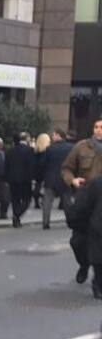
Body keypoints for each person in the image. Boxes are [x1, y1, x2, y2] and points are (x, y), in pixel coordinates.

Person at [62, 119, 102, 284]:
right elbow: (66, 168)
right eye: (96, 127)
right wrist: (72, 180)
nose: (99, 130)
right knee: (77, 241)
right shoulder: (81, 147)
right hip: (84, 200)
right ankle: (84, 264)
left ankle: (98, 278)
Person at [41, 129, 73, 230]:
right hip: (65, 177)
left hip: (50, 178)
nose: (52, 137)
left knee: (47, 201)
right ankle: (70, 221)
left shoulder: (50, 148)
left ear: (59, 136)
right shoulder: (70, 148)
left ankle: (46, 222)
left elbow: (44, 163)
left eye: (54, 135)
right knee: (67, 201)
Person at [4, 132, 36, 228]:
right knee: (27, 199)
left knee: (15, 199)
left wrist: (6, 178)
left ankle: (16, 220)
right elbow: (31, 166)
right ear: (26, 139)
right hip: (25, 179)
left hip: (12, 179)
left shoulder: (10, 150)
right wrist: (33, 178)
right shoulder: (30, 150)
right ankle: (17, 214)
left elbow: (6, 165)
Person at [32, 132, 50, 210]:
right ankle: (43, 201)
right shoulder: (47, 151)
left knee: (37, 186)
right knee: (46, 188)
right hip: (45, 172)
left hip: (36, 172)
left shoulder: (35, 151)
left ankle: (36, 202)